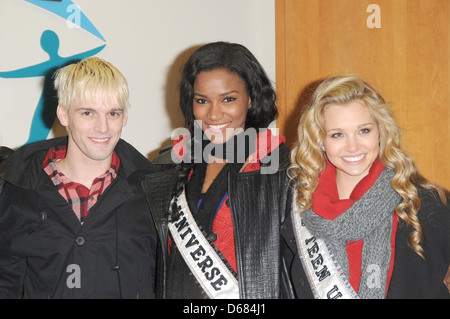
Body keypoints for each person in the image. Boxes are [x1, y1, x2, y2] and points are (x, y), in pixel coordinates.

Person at [143, 41, 293, 299]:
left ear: (251, 98)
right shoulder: (168, 165)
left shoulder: (280, 168)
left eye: (228, 99)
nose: (213, 114)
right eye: (202, 100)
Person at [0, 57, 157, 298]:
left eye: (113, 113)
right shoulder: (18, 191)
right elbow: (7, 282)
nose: (103, 127)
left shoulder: (152, 190)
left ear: (124, 117)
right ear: (63, 115)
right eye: (88, 113)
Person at [282, 75, 450, 299]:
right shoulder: (296, 206)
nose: (352, 146)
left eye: (364, 131)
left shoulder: (425, 204)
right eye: (337, 134)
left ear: (381, 131)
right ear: (320, 140)